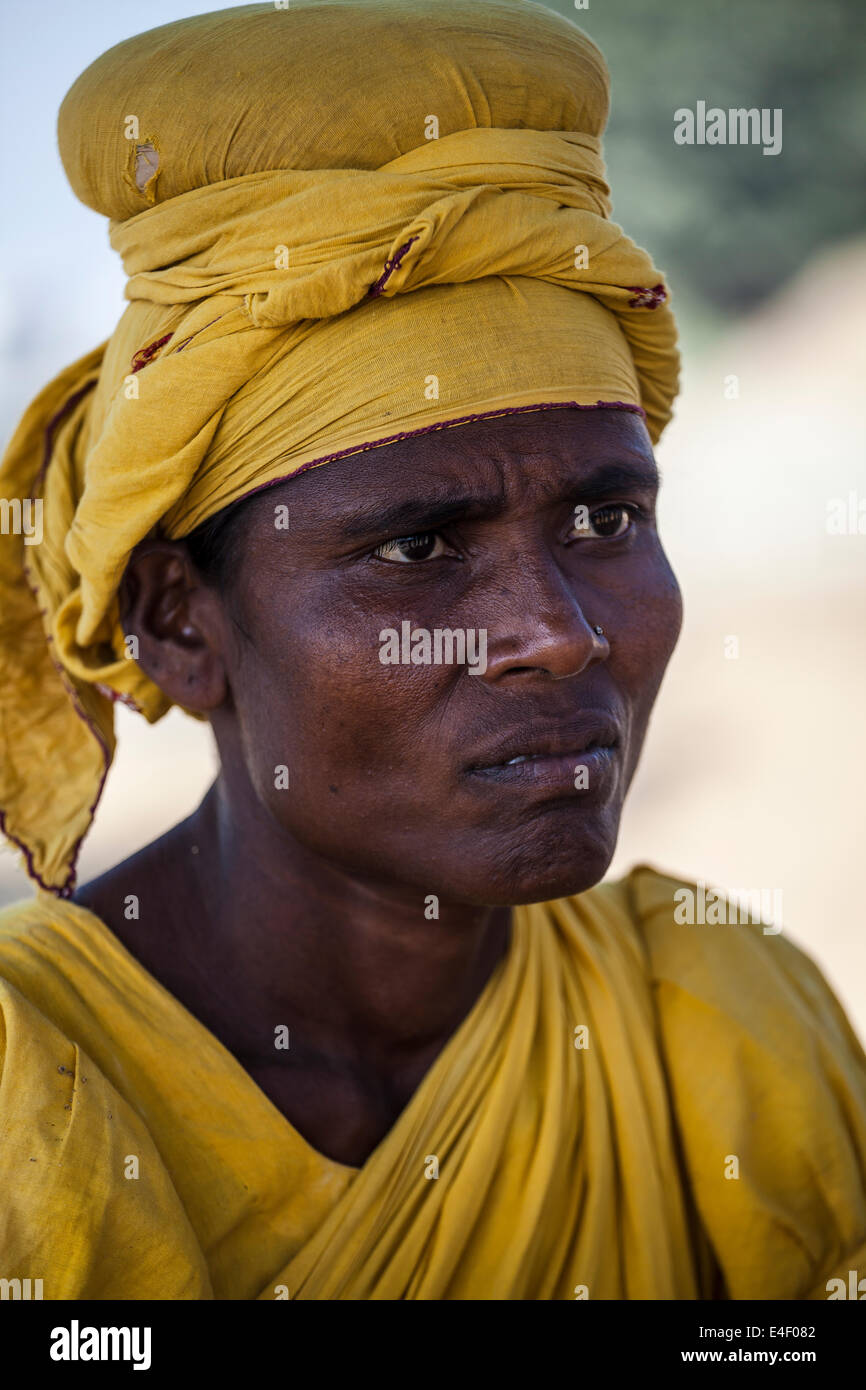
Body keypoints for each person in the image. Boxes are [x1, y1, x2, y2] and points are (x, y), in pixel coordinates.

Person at [0, 0, 864, 1301]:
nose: (558, 632)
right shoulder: (34, 1090)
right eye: (417, 550)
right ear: (179, 622)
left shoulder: (719, 1012)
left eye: (604, 518)